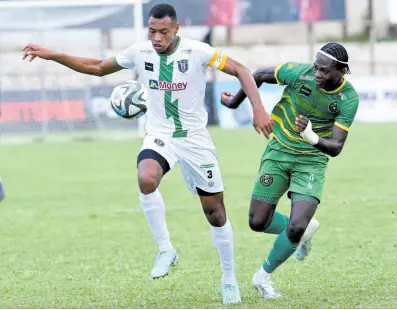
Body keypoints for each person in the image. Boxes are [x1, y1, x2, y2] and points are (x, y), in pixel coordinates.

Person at [22, 3, 273, 304]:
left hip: (195, 140)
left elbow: (242, 70)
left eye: (163, 32)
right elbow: (97, 67)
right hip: (159, 135)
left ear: (176, 29)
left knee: (215, 213)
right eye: (152, 31)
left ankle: (229, 279)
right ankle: (166, 248)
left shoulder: (198, 52)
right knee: (146, 178)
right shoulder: (139, 53)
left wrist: (258, 108)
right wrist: (53, 55)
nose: (156, 38)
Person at [221, 43, 359, 298]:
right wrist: (235, 103)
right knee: (257, 222)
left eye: (325, 71)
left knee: (295, 225)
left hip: (311, 163)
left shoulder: (348, 99)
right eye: (316, 67)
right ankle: (305, 230)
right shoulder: (300, 73)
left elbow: (337, 146)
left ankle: (263, 277)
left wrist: (311, 136)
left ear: (341, 71)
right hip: (278, 154)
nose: (317, 74)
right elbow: (260, 74)